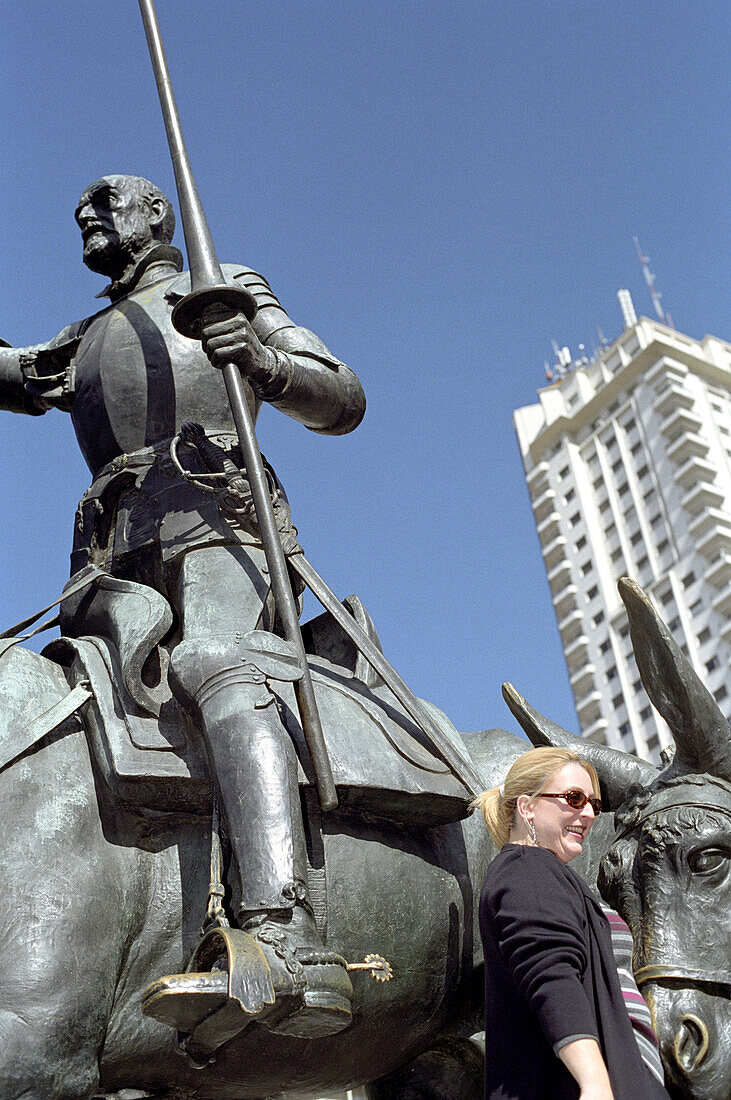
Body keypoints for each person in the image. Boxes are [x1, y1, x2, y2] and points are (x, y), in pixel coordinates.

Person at [0, 175, 366, 1035]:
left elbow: (340, 396)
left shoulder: (224, 283)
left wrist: (260, 357)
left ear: (158, 213)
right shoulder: (90, 334)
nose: (88, 215)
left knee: (218, 664)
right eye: (79, 209)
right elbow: (16, 372)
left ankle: (286, 929)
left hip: (221, 529)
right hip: (110, 556)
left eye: (106, 200)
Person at [474, 746, 670, 1100]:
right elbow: (551, 977)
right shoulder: (527, 867)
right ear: (527, 806)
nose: (590, 813)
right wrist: (593, 1082)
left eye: (593, 803)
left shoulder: (547, 873)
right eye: (574, 798)